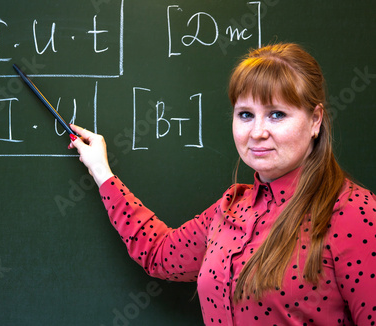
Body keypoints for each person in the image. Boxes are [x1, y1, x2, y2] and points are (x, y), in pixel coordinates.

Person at [68, 43, 376, 325]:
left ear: (315, 120)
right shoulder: (231, 208)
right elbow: (159, 254)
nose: (257, 132)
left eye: (277, 115)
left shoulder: (355, 214)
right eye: (245, 114)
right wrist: (101, 171)